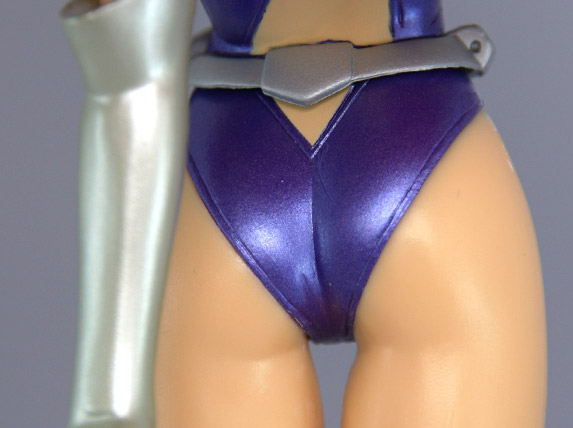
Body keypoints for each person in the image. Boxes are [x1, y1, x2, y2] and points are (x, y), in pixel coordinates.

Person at [60, 0, 547, 427]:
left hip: (243, 173)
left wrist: (107, 394)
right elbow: (123, 79)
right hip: (419, 166)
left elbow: (124, 82)